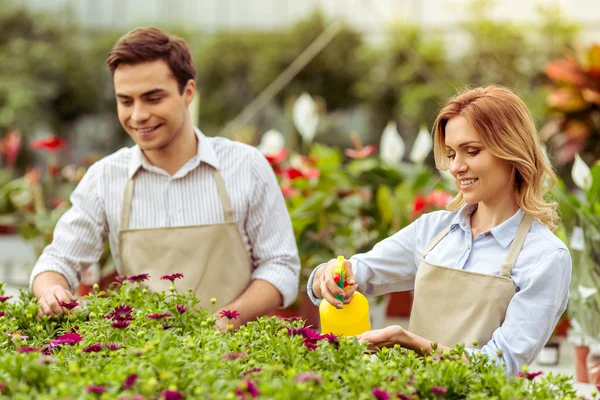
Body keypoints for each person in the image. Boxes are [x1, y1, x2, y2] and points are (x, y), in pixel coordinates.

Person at [30, 27, 300, 328]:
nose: (138, 115)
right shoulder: (106, 178)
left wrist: (224, 322)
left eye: (153, 98)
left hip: (240, 355)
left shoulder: (245, 166)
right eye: (126, 101)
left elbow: (281, 267)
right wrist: (52, 289)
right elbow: (56, 262)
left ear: (188, 92)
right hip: (145, 360)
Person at [308, 86, 572, 376]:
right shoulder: (434, 230)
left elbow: (502, 365)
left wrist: (408, 341)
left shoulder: (545, 256)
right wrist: (328, 277)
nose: (456, 167)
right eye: (451, 153)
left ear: (511, 150)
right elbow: (359, 271)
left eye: (472, 151)